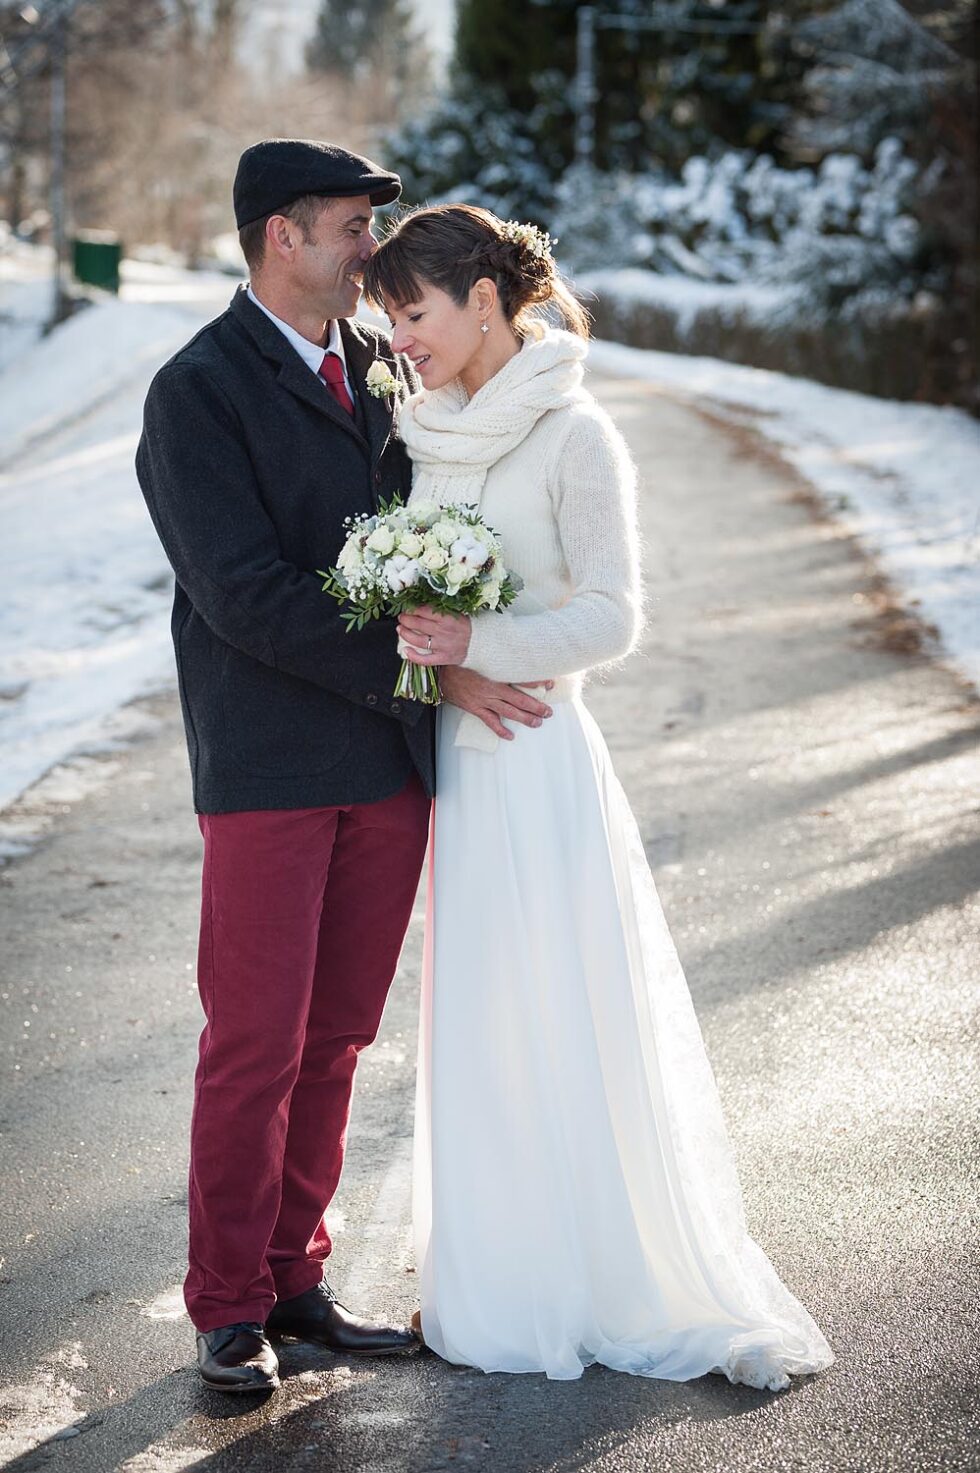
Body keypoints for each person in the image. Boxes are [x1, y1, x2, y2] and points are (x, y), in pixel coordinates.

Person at [362, 204, 836, 1391]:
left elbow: (613, 615)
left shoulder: (576, 435)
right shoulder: (423, 431)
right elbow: (406, 613)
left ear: (482, 298)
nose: (399, 339)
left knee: (557, 1008)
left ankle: (591, 1276)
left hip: (536, 755)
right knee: (477, 1020)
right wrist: (438, 661)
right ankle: (493, 1275)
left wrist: (483, 640)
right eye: (386, 319)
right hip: (456, 764)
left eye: (411, 314)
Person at [135, 142, 553, 1394]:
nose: (372, 251)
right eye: (349, 230)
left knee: (338, 1036)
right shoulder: (195, 390)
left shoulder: (383, 367)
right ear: (280, 236)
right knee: (254, 1040)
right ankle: (225, 1307)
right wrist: (426, 670)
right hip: (267, 762)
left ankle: (294, 1279)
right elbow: (243, 596)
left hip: (386, 762)